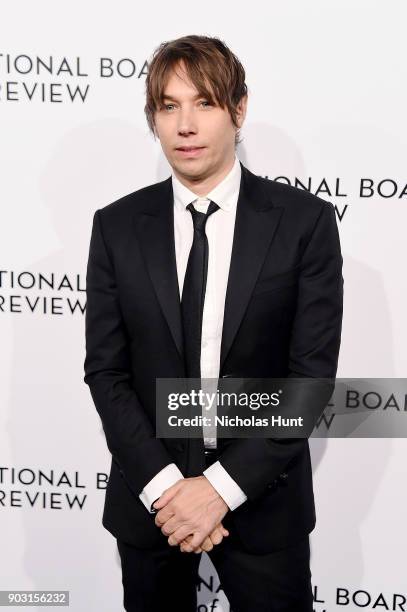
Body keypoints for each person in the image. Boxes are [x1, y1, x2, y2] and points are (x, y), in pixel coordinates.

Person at [84, 34, 343, 612]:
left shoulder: (305, 224)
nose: (185, 125)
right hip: (151, 504)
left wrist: (217, 491)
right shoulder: (117, 227)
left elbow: (309, 382)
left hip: (264, 502)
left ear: (239, 109)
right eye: (169, 106)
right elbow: (106, 373)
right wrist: (170, 492)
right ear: (153, 118)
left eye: (204, 102)